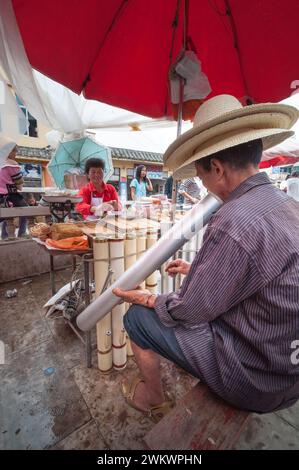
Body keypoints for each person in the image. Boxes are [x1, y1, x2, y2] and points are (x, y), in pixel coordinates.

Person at [113, 94, 299, 420]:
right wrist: (195, 271)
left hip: (257, 378)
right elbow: (261, 277)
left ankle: (153, 397)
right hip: (288, 369)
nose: (204, 186)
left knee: (137, 320)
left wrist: (151, 300)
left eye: (201, 178)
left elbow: (192, 311)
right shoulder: (287, 205)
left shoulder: (234, 219)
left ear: (216, 169)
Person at [0, 136, 27, 238]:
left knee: (7, 216)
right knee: (26, 211)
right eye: (15, 151)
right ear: (9, 152)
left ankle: (4, 235)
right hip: (11, 195)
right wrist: (19, 186)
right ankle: (22, 233)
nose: (16, 153)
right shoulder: (12, 165)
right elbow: (19, 183)